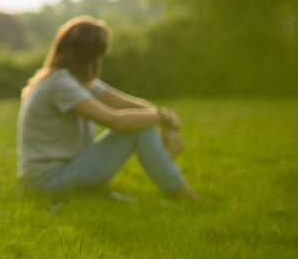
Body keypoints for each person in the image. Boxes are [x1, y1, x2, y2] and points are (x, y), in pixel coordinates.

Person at [17, 15, 200, 198]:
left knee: (141, 122)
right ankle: (179, 191)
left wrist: (168, 123)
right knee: (138, 128)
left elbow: (138, 107)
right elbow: (117, 122)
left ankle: (177, 188)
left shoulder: (76, 81)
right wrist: (163, 117)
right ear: (93, 57)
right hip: (48, 182)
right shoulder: (59, 83)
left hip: (61, 173)